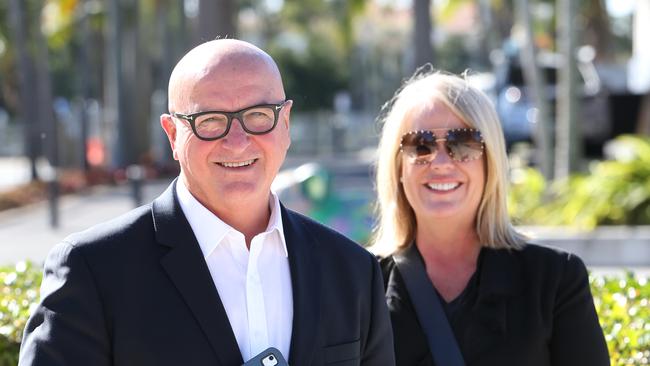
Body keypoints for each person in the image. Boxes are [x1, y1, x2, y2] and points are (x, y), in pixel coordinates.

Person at [19, 39, 395, 366]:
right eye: (210, 121)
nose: (237, 141)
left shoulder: (352, 271)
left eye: (258, 116)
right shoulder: (94, 270)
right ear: (172, 133)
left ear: (286, 123)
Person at [371, 70, 610, 366]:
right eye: (421, 145)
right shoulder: (361, 285)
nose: (442, 162)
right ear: (397, 168)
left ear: (491, 161)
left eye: (463, 144)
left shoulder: (555, 280)